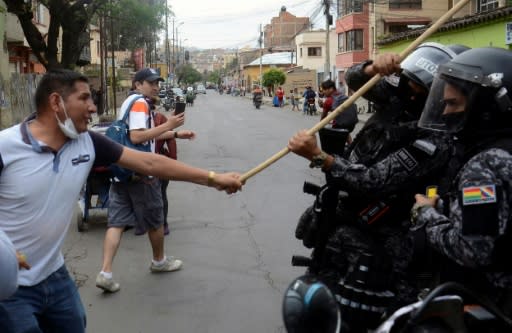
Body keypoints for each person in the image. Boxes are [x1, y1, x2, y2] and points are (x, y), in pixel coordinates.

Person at [0, 69, 242, 333]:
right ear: (56, 102)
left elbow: (149, 161)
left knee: (74, 325)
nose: (93, 107)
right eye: (85, 99)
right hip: (10, 284)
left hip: (54, 273)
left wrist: (212, 178)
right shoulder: (6, 146)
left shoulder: (87, 142)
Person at [410, 47, 512, 316]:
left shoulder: (485, 167)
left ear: (485, 107)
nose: (444, 112)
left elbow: (472, 249)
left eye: (453, 104)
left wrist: (426, 213)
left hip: (488, 305)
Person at [153, 110, 196, 236]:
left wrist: (172, 163)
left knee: (160, 194)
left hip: (159, 162)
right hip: (144, 161)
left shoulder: (159, 117)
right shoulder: (157, 117)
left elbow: (170, 139)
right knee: (157, 194)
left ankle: (163, 223)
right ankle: (159, 223)